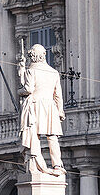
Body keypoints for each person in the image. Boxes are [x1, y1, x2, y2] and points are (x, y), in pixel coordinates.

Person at [17, 43, 65, 176]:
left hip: (35, 105)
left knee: (35, 136)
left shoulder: (31, 71)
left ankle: (35, 164)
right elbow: (58, 95)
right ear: (43, 55)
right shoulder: (54, 72)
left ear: (32, 56)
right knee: (52, 137)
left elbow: (28, 89)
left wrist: (19, 91)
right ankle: (57, 164)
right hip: (50, 106)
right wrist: (60, 111)